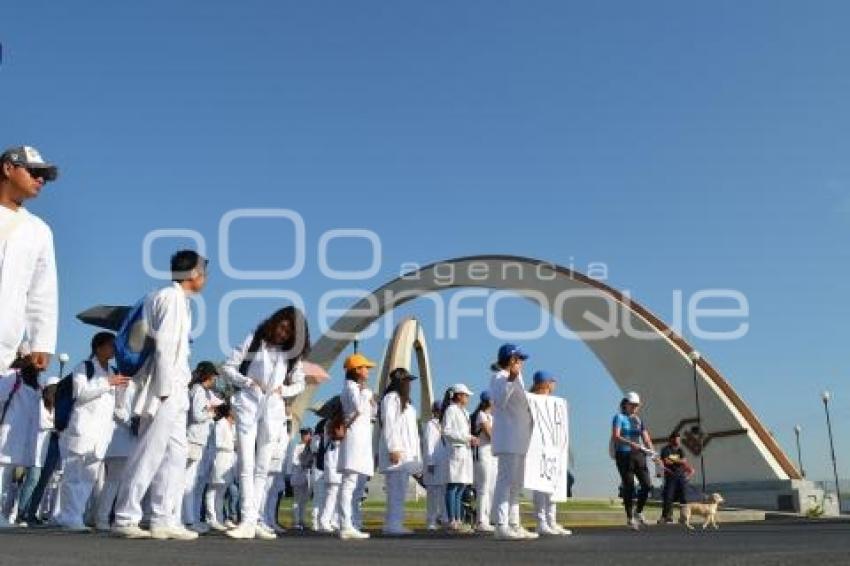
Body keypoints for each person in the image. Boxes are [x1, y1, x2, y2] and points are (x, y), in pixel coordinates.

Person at [112, 250, 208, 541]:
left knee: (175, 455)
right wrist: (166, 390)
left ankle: (164, 517)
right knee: (149, 452)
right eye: (203, 271)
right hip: (164, 388)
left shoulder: (180, 301)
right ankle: (126, 516)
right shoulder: (169, 297)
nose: (205, 277)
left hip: (177, 387)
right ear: (193, 274)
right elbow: (165, 346)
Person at [223, 306, 309, 540]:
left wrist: (286, 389)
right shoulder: (255, 340)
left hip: (273, 410)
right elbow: (228, 367)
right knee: (246, 464)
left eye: (289, 332)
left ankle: (256, 519)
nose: (283, 334)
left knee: (262, 468)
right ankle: (247, 519)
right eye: (282, 327)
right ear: (274, 322)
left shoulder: (291, 356)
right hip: (249, 405)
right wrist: (247, 382)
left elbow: (301, 383)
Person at [53, 333, 130, 531]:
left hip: (101, 436)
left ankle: (74, 515)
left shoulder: (114, 371)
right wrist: (107, 384)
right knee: (73, 476)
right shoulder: (84, 367)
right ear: (98, 347)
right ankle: (69, 516)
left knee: (89, 478)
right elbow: (81, 394)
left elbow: (117, 409)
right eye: (110, 345)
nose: (113, 350)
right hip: (81, 431)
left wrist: (123, 390)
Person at [0, 146, 59, 375]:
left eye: (44, 176)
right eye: (34, 172)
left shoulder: (39, 230)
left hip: (5, 347)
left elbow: (42, 291)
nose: (40, 180)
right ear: (8, 168)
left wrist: (41, 342)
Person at [490, 343, 537, 540]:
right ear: (511, 360)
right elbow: (500, 401)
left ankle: (514, 523)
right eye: (520, 359)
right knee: (505, 482)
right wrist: (512, 377)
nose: (522, 363)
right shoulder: (498, 377)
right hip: (508, 438)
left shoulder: (518, 379)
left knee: (517, 484)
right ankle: (501, 525)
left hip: (520, 438)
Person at [337, 353, 377, 540]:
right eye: (364, 367)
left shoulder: (358, 388)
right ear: (355, 370)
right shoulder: (351, 387)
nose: (367, 370)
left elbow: (371, 413)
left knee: (354, 484)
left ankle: (350, 522)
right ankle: (345, 524)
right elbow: (358, 407)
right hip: (353, 439)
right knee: (348, 483)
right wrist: (366, 394)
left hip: (361, 439)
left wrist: (369, 397)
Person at [0, 350, 42, 527]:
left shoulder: (34, 382)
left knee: (7, 477)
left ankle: (3, 514)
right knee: (1, 474)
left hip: (22, 436)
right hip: (8, 431)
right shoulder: (12, 376)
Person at [378, 368, 422, 535]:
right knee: (395, 491)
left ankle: (394, 523)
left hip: (406, 453)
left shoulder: (407, 403)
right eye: (407, 381)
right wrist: (393, 448)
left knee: (400, 490)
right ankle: (392, 525)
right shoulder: (391, 399)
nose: (409, 384)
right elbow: (389, 424)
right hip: (396, 452)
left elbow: (412, 432)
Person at [527, 371, 571, 536]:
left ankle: (551, 521)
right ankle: (541, 522)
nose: (554, 384)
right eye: (552, 381)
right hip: (538, 448)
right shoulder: (530, 399)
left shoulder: (556, 402)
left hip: (554, 449)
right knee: (541, 486)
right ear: (545, 383)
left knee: (554, 486)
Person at [15, 373, 59, 526]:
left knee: (43, 482)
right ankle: (21, 513)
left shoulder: (58, 409)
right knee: (33, 480)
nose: (53, 394)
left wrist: (56, 426)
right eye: (51, 390)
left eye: (56, 391)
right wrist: (56, 425)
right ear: (45, 391)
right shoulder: (38, 405)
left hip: (52, 447)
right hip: (37, 448)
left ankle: (32, 514)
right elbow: (43, 424)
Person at [95, 376, 138, 531]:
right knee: (113, 482)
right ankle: (103, 518)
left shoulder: (133, 383)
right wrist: (131, 422)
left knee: (122, 483)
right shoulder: (124, 383)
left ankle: (115, 518)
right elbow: (118, 410)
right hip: (119, 439)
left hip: (128, 441)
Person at [182, 361, 220, 534]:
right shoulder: (198, 390)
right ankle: (187, 520)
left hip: (197, 440)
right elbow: (197, 415)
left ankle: (189, 518)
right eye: (213, 376)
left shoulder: (199, 390)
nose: (214, 380)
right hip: (193, 438)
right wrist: (210, 412)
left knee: (190, 481)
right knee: (187, 482)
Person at [611, 391, 654, 531]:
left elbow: (646, 438)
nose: (635, 408)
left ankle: (639, 511)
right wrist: (630, 443)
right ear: (626, 404)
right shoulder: (619, 418)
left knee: (647, 485)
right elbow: (616, 436)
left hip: (638, 455)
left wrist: (652, 451)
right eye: (633, 405)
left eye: (637, 405)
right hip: (623, 455)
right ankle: (630, 518)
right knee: (629, 486)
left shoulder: (638, 420)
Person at [441, 384, 478, 534]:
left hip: (464, 451)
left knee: (461, 486)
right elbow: (447, 431)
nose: (468, 398)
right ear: (459, 395)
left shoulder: (465, 412)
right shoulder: (451, 410)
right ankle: (452, 520)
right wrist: (467, 438)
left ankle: (459, 519)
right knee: (453, 486)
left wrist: (469, 439)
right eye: (466, 395)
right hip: (456, 450)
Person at [206, 403, 236, 531]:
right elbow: (217, 442)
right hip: (220, 456)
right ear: (228, 411)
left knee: (222, 490)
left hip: (229, 458)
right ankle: (211, 518)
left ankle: (219, 517)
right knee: (213, 488)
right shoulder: (220, 424)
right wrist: (230, 445)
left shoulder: (233, 426)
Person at [471, 391, 497, 532]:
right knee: (483, 488)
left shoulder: (491, 416)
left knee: (492, 487)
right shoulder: (481, 415)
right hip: (483, 454)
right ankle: (481, 520)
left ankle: (490, 517)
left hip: (492, 454)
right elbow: (490, 435)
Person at [658, 432, 693, 524]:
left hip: (681, 476)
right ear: (671, 439)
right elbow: (666, 461)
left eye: (679, 439)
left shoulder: (681, 450)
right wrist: (678, 460)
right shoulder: (665, 449)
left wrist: (673, 459)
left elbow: (684, 461)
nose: (678, 440)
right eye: (676, 439)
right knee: (668, 497)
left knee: (684, 497)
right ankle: (666, 517)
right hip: (670, 476)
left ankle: (684, 517)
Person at [422, 401, 447, 531]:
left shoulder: (442, 425)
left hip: (443, 464)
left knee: (442, 492)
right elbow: (429, 445)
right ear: (435, 411)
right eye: (439, 410)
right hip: (434, 464)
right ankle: (431, 520)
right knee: (432, 494)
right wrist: (431, 462)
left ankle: (442, 518)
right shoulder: (430, 425)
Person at [317, 418, 342, 533]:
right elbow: (338, 436)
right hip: (333, 468)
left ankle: (333, 521)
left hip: (335, 468)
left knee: (336, 498)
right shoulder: (330, 425)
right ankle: (324, 521)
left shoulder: (330, 425)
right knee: (331, 497)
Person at [290, 427, 314, 530]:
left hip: (308, 476)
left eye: (306, 434)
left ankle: (302, 520)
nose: (304, 436)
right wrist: (303, 464)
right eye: (303, 434)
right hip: (298, 475)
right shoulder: (297, 446)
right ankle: (296, 521)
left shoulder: (312, 446)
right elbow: (294, 461)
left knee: (304, 501)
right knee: (297, 500)